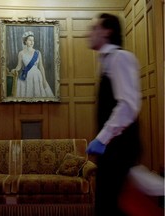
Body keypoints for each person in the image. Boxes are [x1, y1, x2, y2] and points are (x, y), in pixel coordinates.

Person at [86, 13, 142, 216]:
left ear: (107, 31)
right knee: (109, 205)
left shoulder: (120, 58)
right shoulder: (107, 61)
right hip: (112, 149)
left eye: (94, 28)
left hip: (120, 147)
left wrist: (102, 138)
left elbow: (128, 105)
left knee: (108, 206)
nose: (89, 33)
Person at [11, 31, 54, 97]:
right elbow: (19, 66)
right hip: (25, 76)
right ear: (25, 41)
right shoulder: (21, 53)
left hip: (36, 76)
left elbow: (41, 67)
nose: (32, 42)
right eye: (30, 40)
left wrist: (44, 80)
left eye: (33, 40)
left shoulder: (37, 53)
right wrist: (15, 70)